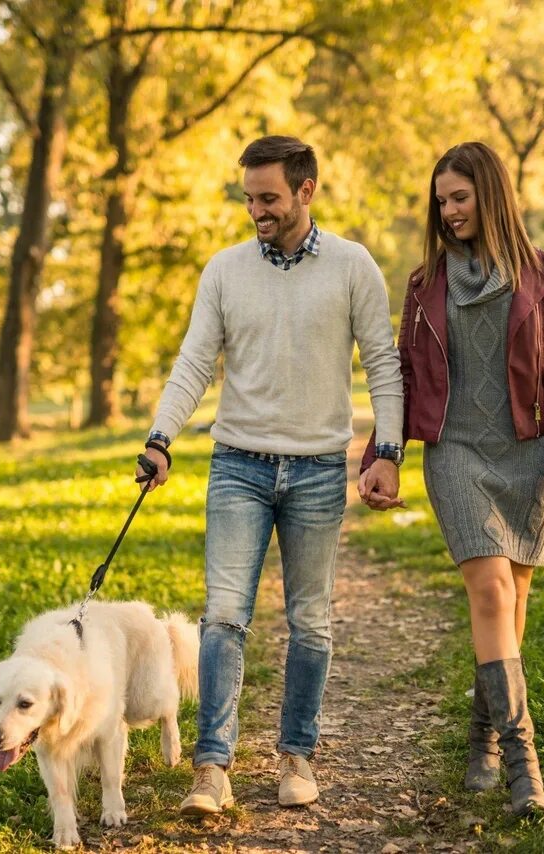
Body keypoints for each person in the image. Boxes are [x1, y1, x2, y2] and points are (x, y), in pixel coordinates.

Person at [138, 135, 405, 816]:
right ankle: (212, 768)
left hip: (319, 469)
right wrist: (161, 436)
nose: (255, 210)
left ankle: (296, 755)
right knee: (224, 617)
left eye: (268, 198)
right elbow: (195, 360)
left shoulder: (352, 266)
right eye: (248, 197)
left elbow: (383, 362)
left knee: (310, 622)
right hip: (239, 466)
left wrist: (389, 451)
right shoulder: (225, 271)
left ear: (306, 191)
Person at [359, 141, 544, 817]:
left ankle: (482, 738)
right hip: (455, 452)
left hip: (527, 456)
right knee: (489, 588)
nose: (450, 211)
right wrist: (384, 452)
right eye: (441, 202)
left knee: (511, 602)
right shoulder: (424, 284)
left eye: (460, 197)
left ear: (492, 195)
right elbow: (400, 376)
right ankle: (526, 767)